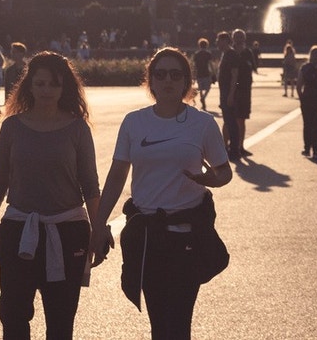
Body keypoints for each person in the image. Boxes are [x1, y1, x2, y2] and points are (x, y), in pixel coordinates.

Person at [93, 46, 232, 340]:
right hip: (147, 237)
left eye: (175, 74)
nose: (168, 80)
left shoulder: (202, 123)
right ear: (151, 80)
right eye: (161, 74)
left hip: (187, 236)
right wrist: (98, 223)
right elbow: (117, 176)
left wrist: (211, 179)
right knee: (159, 323)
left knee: (178, 323)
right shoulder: (134, 122)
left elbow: (224, 172)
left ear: (186, 82)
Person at [0, 52, 100, 340]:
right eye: (40, 83)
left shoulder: (77, 129)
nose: (46, 90)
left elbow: (90, 185)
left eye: (54, 84)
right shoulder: (12, 127)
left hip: (68, 234)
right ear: (29, 86)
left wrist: (99, 230)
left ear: (64, 88)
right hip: (19, 232)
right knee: (14, 319)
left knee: (60, 324)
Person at [214, 31, 248, 159]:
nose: (217, 43)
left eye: (218, 41)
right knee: (228, 121)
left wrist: (231, 95)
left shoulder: (231, 54)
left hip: (229, 93)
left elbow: (235, 76)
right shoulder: (226, 54)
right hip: (225, 92)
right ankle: (231, 148)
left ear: (225, 41)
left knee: (231, 122)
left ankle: (234, 150)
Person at [191, 38, 214, 110]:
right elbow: (210, 64)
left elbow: (194, 65)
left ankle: (202, 97)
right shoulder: (208, 54)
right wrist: (213, 72)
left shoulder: (196, 54)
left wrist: (193, 74)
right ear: (206, 45)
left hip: (199, 73)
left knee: (200, 88)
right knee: (208, 87)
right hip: (206, 72)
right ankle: (203, 97)